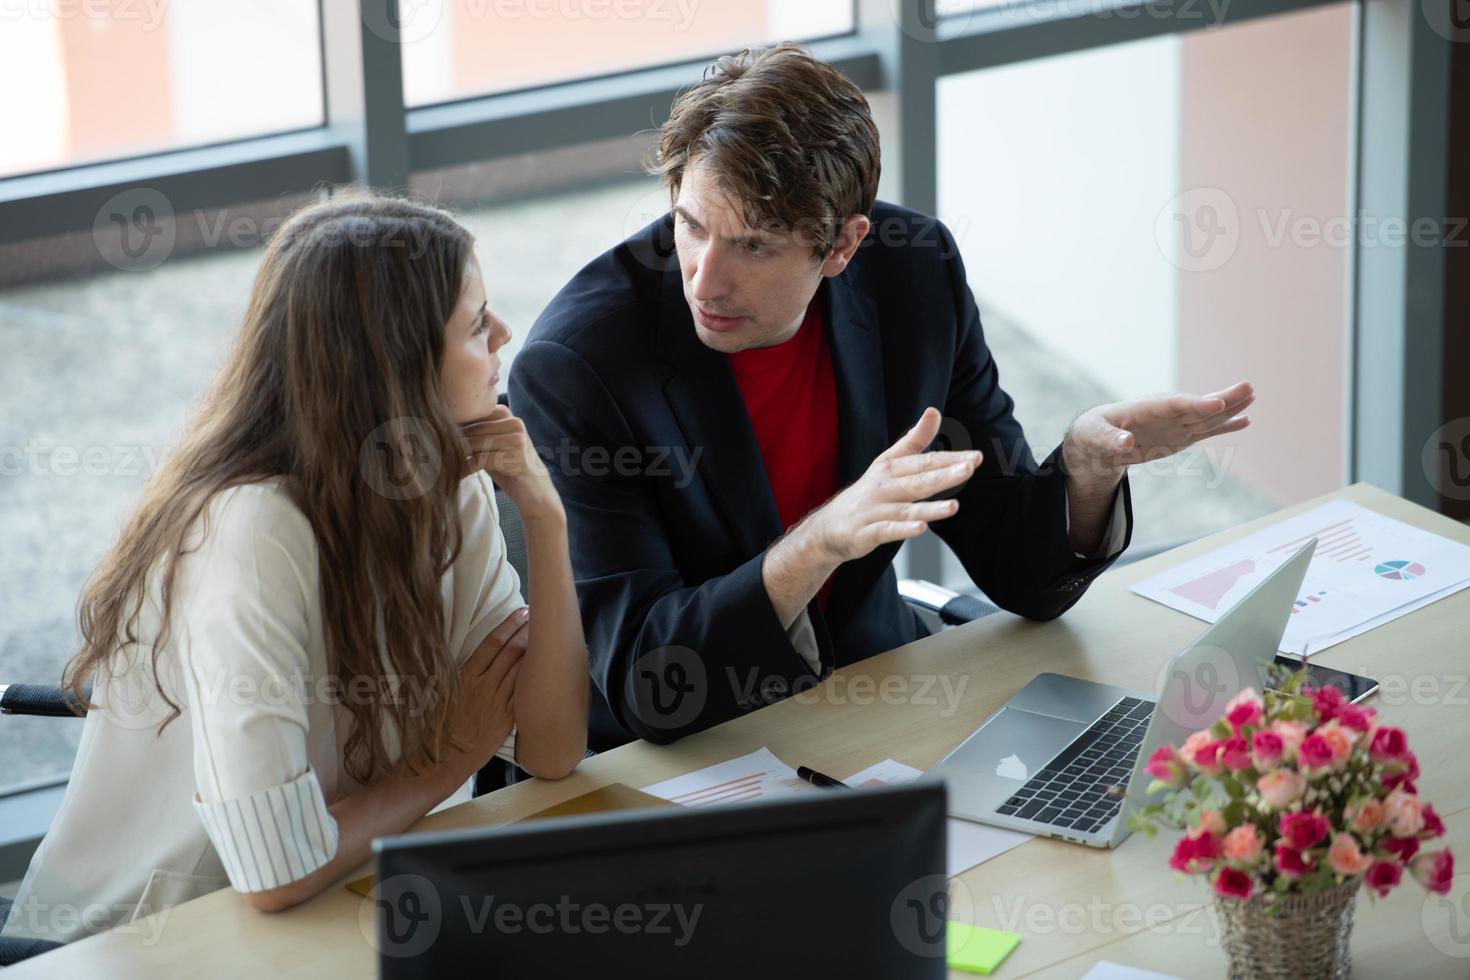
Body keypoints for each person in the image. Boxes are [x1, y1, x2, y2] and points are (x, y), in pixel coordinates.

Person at [509, 44, 1254, 747]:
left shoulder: (913, 277)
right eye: (692, 227)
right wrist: (822, 541)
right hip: (686, 755)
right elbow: (651, 682)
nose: (703, 279)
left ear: (842, 246)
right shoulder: (579, 366)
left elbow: (1019, 572)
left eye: (754, 246)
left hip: (877, 692)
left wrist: (1087, 470)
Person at [0, 195, 588, 947]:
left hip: (338, 907)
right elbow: (274, 871)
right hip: (141, 943)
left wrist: (547, 520)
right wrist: (447, 761)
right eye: (476, 323)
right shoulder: (254, 530)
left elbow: (551, 749)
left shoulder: (451, 478)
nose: (505, 334)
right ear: (395, 365)